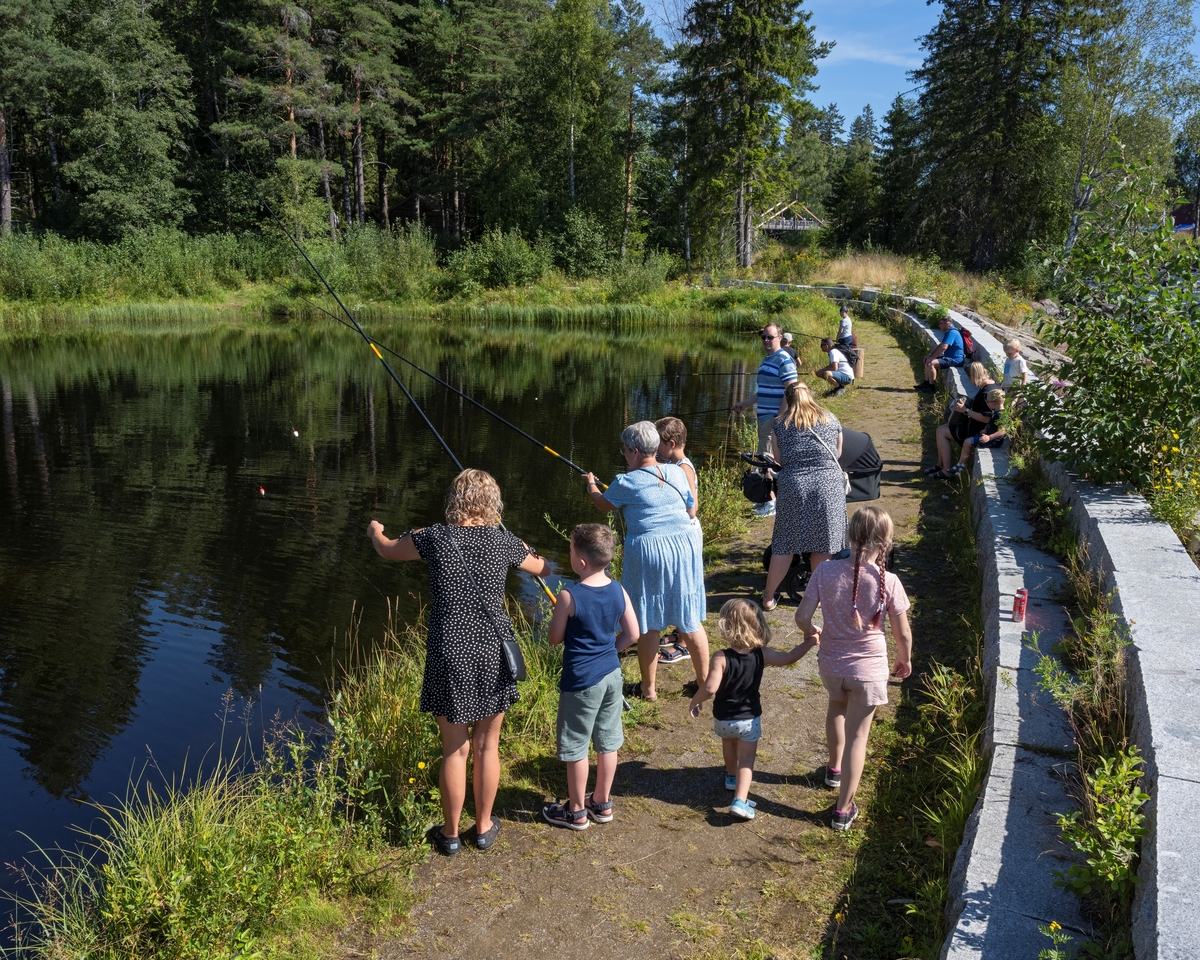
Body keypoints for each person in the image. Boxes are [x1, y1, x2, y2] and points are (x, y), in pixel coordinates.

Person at [366, 469, 552, 856]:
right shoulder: (503, 542)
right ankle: (483, 829)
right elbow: (545, 567)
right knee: (487, 745)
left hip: (449, 651)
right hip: (493, 650)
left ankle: (450, 835)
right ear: (493, 504)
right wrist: (520, 543)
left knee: (455, 748)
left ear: (454, 500)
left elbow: (386, 549)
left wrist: (375, 530)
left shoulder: (434, 537)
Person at [795, 506, 912, 831]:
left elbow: (802, 616)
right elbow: (902, 633)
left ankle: (834, 770)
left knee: (836, 707)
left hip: (832, 664)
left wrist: (812, 632)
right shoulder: (889, 581)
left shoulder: (825, 571)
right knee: (858, 737)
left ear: (848, 534)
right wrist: (905, 658)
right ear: (886, 543)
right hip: (868, 672)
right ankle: (843, 810)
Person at [583, 421, 710, 702]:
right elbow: (690, 506)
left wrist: (591, 484)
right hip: (684, 547)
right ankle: (705, 683)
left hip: (650, 550)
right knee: (689, 616)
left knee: (648, 620)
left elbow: (602, 504)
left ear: (635, 451)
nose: (624, 455)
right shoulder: (678, 472)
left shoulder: (626, 481)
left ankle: (648, 689)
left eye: (625, 450)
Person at [542, 524, 641, 830]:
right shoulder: (618, 589)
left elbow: (555, 639)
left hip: (581, 682)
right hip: (612, 675)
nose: (569, 554)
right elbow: (633, 634)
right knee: (607, 742)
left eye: (571, 550)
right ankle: (601, 802)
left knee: (576, 745)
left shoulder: (569, 596)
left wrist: (560, 613)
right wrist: (609, 649)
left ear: (581, 562)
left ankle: (575, 811)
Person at [687, 599, 814, 819]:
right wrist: (810, 642)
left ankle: (731, 777)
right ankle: (740, 801)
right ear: (759, 625)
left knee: (728, 744)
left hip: (723, 718)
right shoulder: (762, 654)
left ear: (726, 626)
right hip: (749, 719)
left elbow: (709, 688)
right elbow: (789, 658)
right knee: (746, 759)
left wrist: (695, 701)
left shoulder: (721, 657)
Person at [763, 381, 846, 610]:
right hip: (828, 486)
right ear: (810, 395)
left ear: (788, 400)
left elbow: (778, 459)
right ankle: (815, 597)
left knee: (785, 544)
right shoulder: (830, 418)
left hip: (794, 486)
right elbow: (837, 453)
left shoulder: (779, 424)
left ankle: (768, 598)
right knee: (823, 544)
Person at [732, 323, 799, 518]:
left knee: (766, 459)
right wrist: (745, 403)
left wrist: (779, 417)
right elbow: (762, 392)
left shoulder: (784, 360)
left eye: (770, 337)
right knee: (766, 458)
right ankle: (766, 499)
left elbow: (792, 391)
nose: (766, 340)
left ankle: (771, 502)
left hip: (774, 419)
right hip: (764, 417)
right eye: (764, 337)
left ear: (780, 338)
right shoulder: (767, 359)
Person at [655, 416, 699, 665]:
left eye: (658, 444)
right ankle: (680, 632)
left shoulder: (683, 468)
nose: (655, 450)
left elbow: (692, 508)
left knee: (683, 585)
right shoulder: (673, 465)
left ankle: (684, 644)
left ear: (671, 443)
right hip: (680, 533)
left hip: (687, 533)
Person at [926, 362, 1002, 478]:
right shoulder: (989, 385)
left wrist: (965, 410)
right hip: (973, 424)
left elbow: (987, 419)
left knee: (941, 432)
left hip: (978, 430)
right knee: (941, 429)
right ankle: (940, 464)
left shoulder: (987, 393)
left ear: (973, 376)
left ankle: (946, 471)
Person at [950, 389, 1006, 476]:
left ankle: (961, 466)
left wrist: (989, 437)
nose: (986, 403)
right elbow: (993, 425)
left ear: (994, 403)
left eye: (987, 401)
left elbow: (1003, 430)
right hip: (989, 437)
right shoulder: (996, 411)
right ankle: (960, 464)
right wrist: (985, 430)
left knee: (967, 442)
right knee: (969, 440)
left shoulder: (1000, 415)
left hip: (994, 441)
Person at [917, 315, 965, 392]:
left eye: (941, 323)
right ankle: (926, 383)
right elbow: (941, 345)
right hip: (949, 358)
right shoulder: (949, 332)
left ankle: (931, 387)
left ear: (947, 324)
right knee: (927, 360)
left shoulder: (952, 332)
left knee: (931, 363)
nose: (939, 325)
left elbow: (944, 347)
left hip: (956, 359)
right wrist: (930, 355)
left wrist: (932, 358)